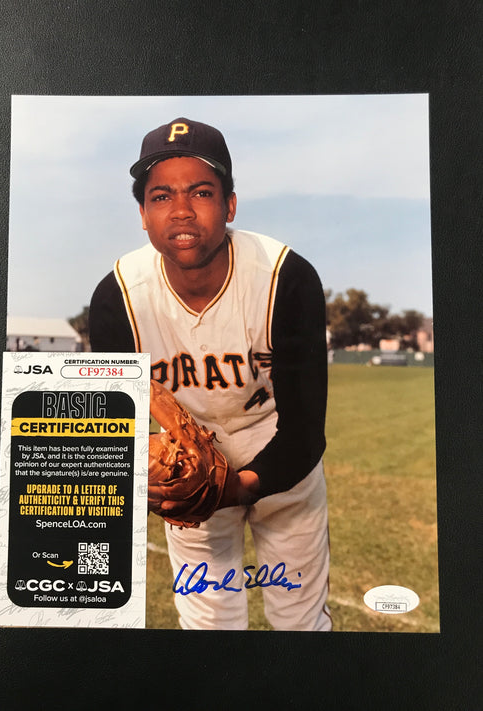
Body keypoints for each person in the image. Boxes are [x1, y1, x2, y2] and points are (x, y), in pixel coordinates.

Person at [89, 117, 331, 631]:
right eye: (161, 196)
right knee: (208, 625)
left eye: (201, 192)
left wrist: (232, 488)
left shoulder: (284, 276)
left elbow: (306, 431)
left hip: (278, 448)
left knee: (300, 621)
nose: (181, 210)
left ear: (230, 205)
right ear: (142, 214)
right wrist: (156, 483)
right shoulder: (119, 296)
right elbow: (110, 427)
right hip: (187, 456)